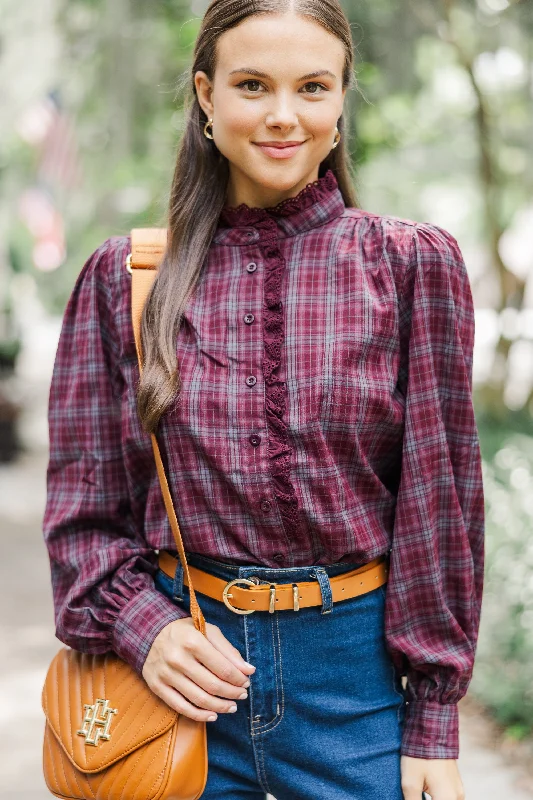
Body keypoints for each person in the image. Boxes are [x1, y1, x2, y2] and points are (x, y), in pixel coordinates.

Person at [42, 0, 484, 798]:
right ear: (206, 97)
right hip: (178, 690)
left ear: (341, 100)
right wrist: (148, 629)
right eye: (252, 85)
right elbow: (84, 520)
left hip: (360, 691)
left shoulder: (410, 266)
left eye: (312, 87)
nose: (283, 116)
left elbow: (439, 504)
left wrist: (431, 722)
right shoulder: (124, 280)